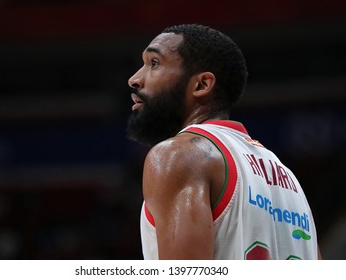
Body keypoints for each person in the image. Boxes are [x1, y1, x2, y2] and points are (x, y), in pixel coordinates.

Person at [126, 23, 321, 260]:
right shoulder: (289, 181)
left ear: (201, 85)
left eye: (154, 63)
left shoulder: (178, 155)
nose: (134, 79)